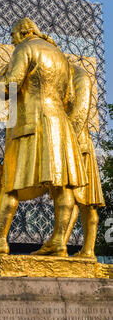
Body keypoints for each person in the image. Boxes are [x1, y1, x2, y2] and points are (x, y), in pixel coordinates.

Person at [0, 17, 88, 257]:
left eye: (12, 37)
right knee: (62, 185)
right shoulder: (60, 56)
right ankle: (60, 240)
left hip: (30, 122)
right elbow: (69, 97)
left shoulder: (25, 48)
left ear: (21, 33)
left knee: (9, 184)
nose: (12, 41)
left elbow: (11, 86)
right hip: (59, 125)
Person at [62, 64, 105, 259]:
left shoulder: (78, 76)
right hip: (75, 143)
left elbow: (80, 112)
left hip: (79, 146)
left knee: (82, 200)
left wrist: (66, 144)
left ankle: (82, 249)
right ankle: (81, 249)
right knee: (80, 200)